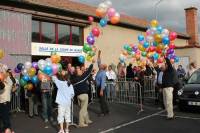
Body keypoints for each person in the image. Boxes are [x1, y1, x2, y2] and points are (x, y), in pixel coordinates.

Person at [71, 62, 94, 127]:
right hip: (84, 95)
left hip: (78, 96)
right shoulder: (82, 77)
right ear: (78, 73)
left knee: (84, 108)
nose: (81, 71)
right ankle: (81, 123)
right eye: (79, 70)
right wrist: (92, 63)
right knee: (83, 109)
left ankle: (87, 120)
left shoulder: (73, 80)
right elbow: (89, 71)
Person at [96, 50, 109, 116]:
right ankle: (106, 110)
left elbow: (103, 82)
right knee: (102, 100)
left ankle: (103, 112)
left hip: (101, 88)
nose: (100, 65)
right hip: (99, 87)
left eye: (101, 65)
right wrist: (98, 55)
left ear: (103, 67)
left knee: (101, 100)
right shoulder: (100, 70)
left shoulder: (103, 73)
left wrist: (101, 90)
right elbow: (98, 61)